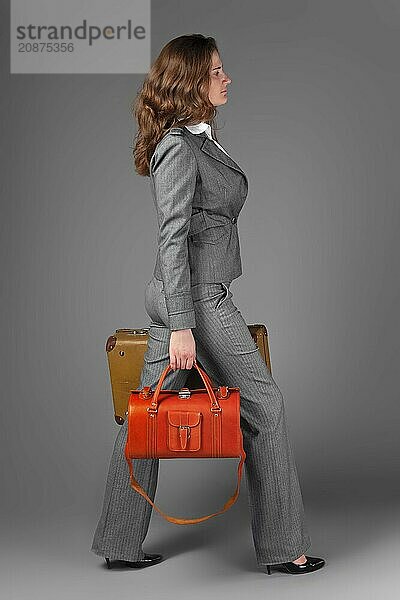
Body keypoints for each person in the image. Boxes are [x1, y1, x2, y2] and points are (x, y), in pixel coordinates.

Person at [91, 34, 326, 576]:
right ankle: (284, 550)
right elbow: (171, 237)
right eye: (216, 71)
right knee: (265, 407)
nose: (227, 78)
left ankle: (118, 542)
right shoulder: (179, 146)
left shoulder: (201, 138)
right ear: (191, 82)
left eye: (223, 70)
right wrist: (181, 325)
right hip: (195, 298)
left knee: (141, 417)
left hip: (183, 294)